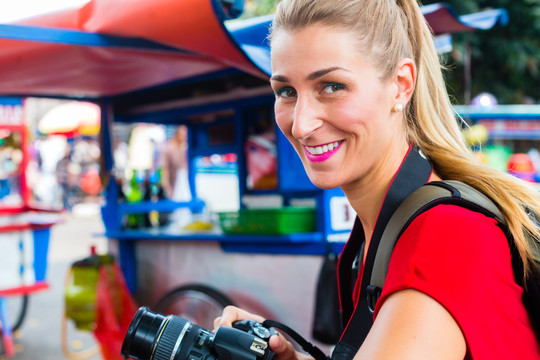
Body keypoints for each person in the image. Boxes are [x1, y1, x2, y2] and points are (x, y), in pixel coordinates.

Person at [213, 0, 540, 359]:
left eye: (331, 86)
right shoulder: (378, 234)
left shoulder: (446, 235)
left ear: (400, 86)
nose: (301, 124)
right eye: (286, 91)